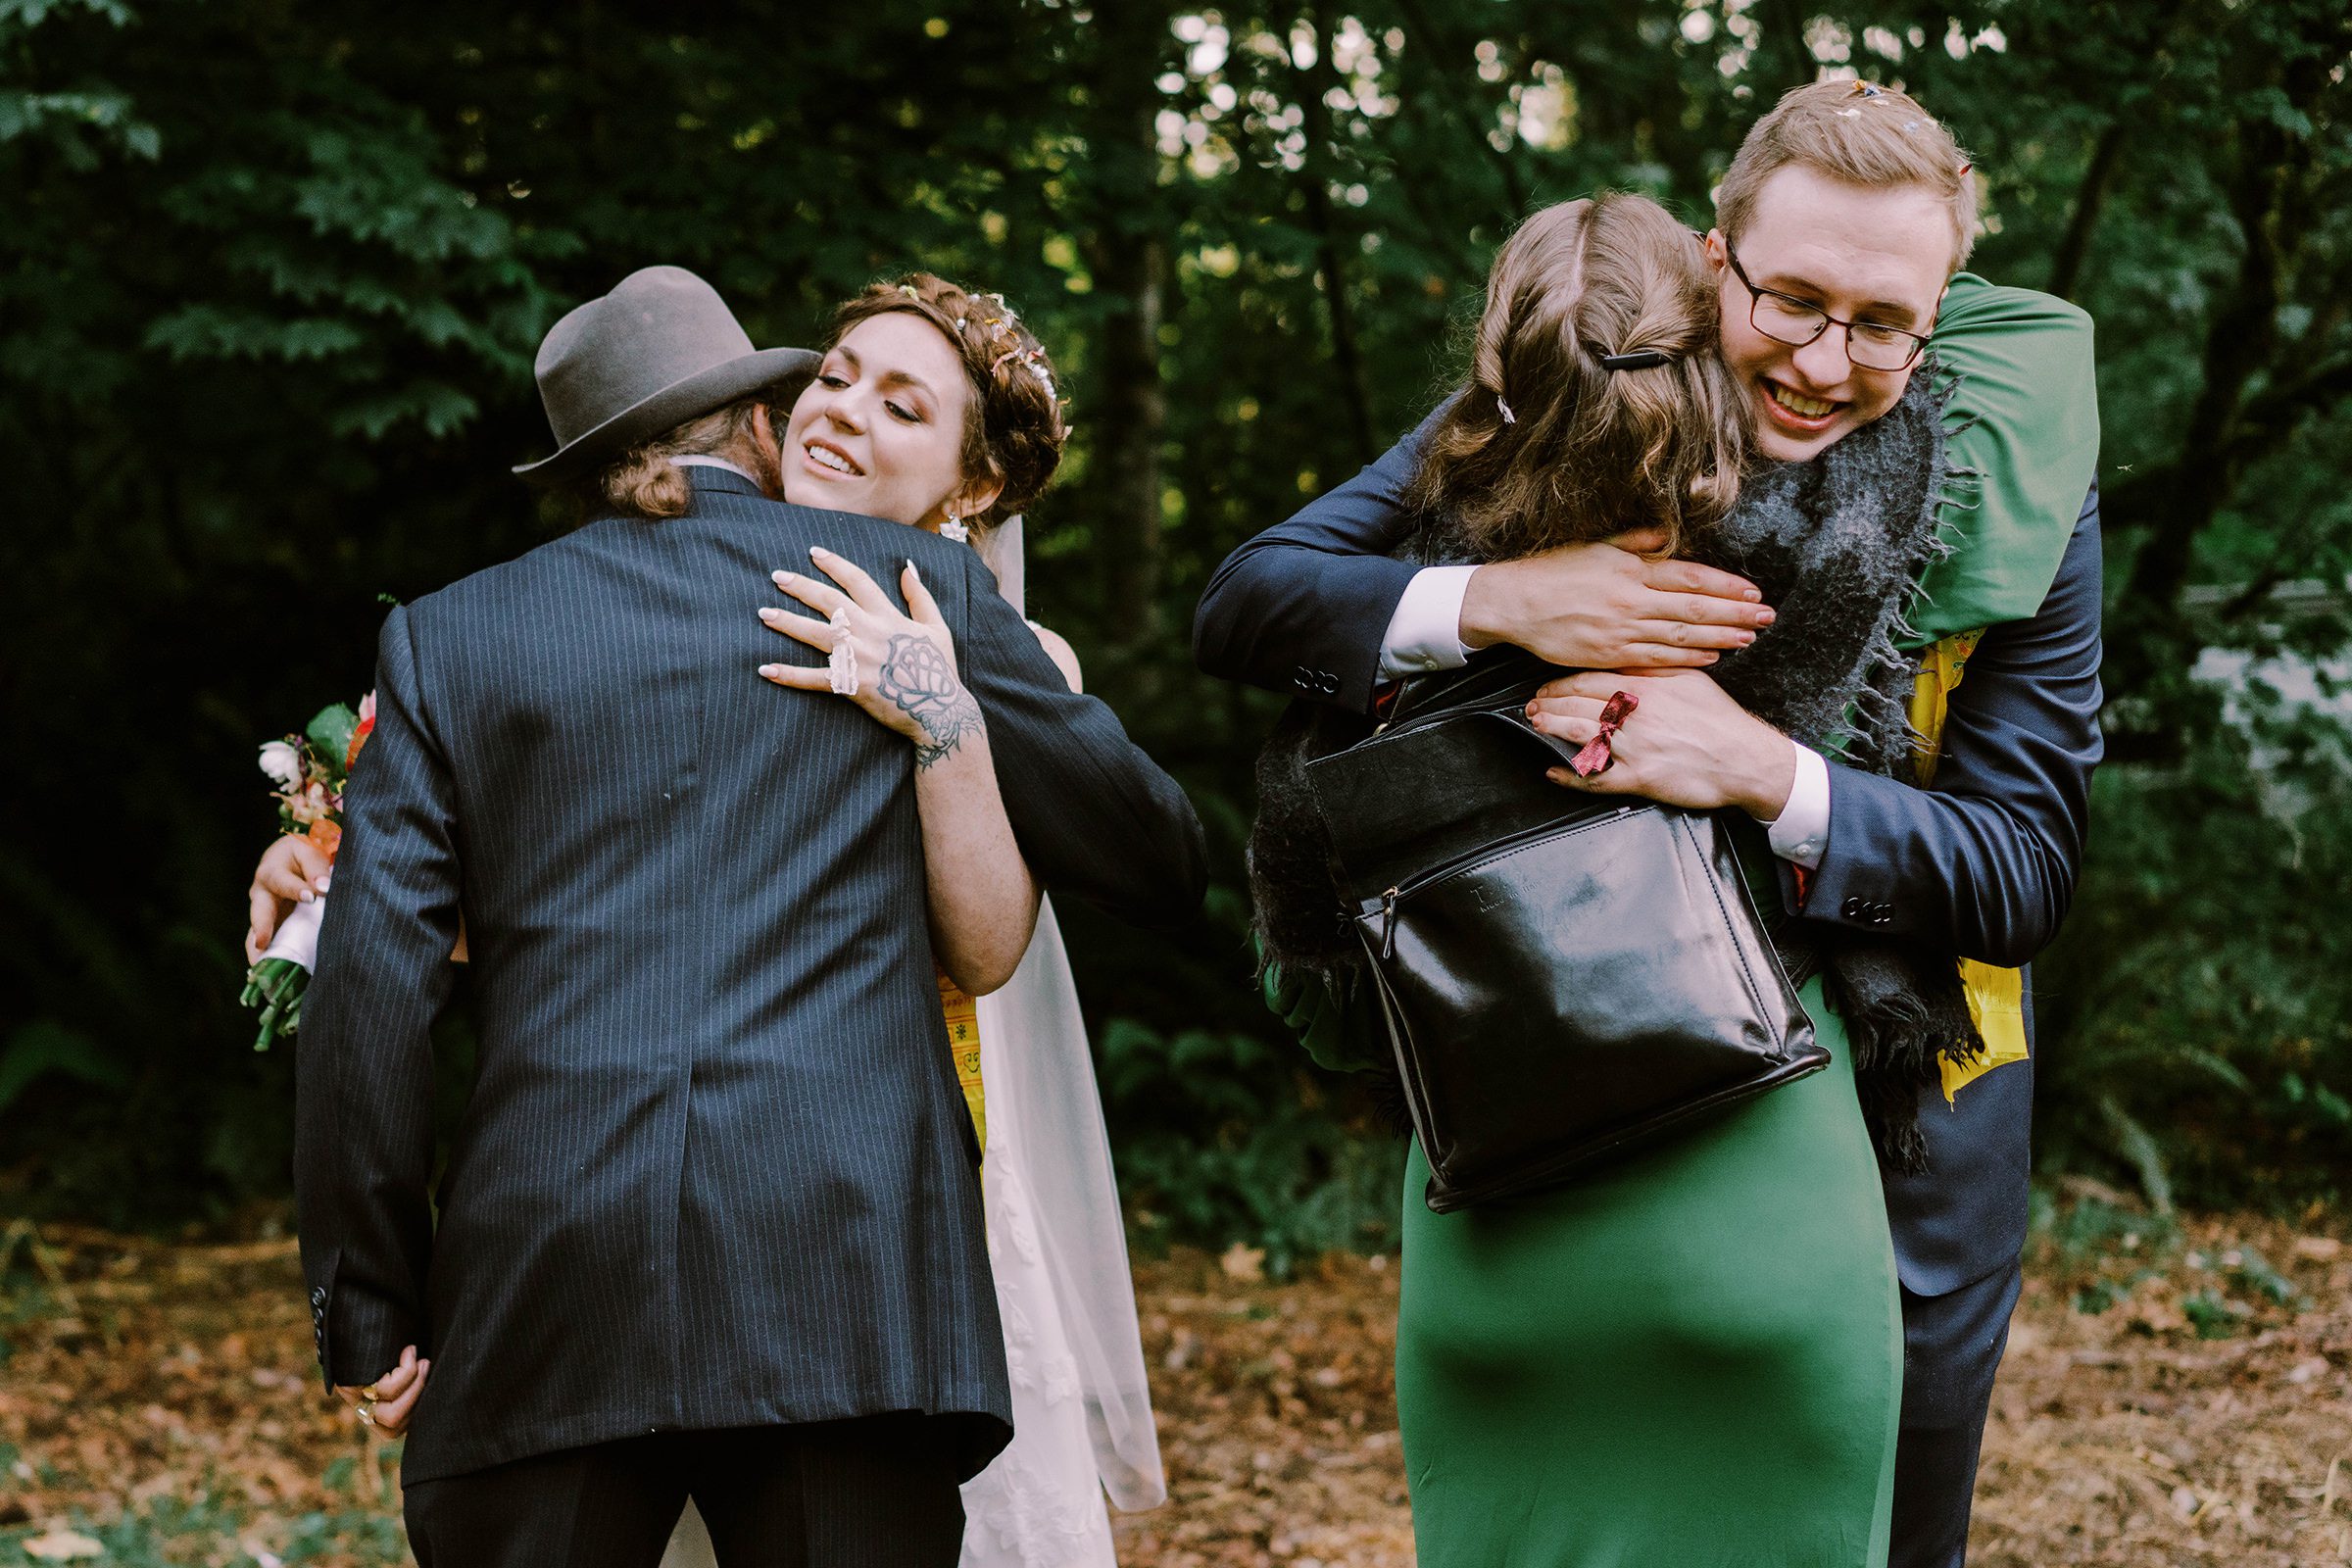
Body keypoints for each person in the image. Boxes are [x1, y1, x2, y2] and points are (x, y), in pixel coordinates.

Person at [1197, 81, 2102, 1568]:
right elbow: (1249, 601)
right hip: (1559, 1078)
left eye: (1883, 323)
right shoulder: (1580, 388)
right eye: (1792, 301)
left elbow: (2019, 869)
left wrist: (1758, 767)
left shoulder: (2014, 490)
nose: (1824, 364)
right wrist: (1500, 600)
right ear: (1709, 259)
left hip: (1904, 1110)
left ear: (1938, 315)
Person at [288, 264, 1204, 1566]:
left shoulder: (456, 635)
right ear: (760, 423)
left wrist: (371, 1304)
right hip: (848, 1285)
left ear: (587, 468)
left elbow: (373, 999)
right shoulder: (917, 591)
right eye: (829, 382)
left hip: (548, 1277)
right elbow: (1158, 858)